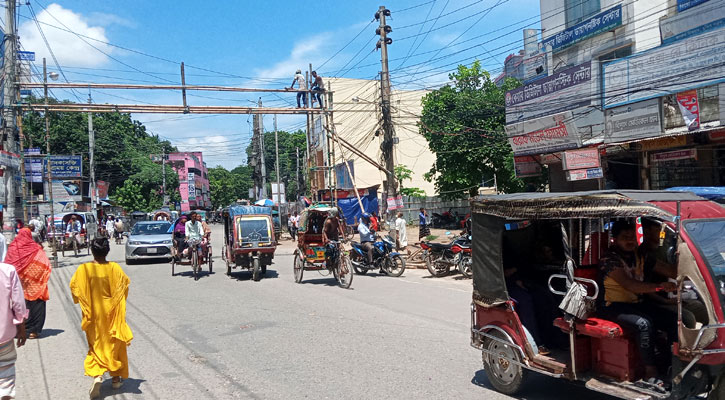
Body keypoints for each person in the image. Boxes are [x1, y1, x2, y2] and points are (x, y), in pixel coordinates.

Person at [599, 220, 677, 382]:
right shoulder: (609, 259)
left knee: (673, 319)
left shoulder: (640, 255)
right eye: (625, 237)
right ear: (615, 239)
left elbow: (668, 269)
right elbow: (631, 285)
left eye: (632, 237)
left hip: (637, 304)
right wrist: (659, 287)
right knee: (644, 324)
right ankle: (651, 371)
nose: (630, 241)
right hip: (613, 307)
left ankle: (672, 364)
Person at [70, 238, 133, 398]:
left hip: (93, 314)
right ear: (107, 251)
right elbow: (123, 286)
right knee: (115, 344)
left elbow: (75, 289)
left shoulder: (84, 269)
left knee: (96, 344)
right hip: (112, 313)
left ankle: (97, 375)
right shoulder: (114, 268)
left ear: (92, 250)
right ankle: (116, 380)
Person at [5, 228, 51, 339]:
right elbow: (44, 262)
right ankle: (33, 331)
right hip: (35, 283)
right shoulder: (35, 248)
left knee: (21, 305)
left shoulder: (12, 247)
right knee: (36, 305)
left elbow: (9, 264)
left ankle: (21, 329)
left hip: (20, 283)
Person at [0, 259, 27, 400]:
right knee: (6, 383)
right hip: (3, 338)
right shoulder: (7, 270)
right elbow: (18, 303)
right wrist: (21, 327)